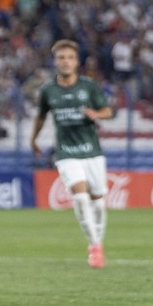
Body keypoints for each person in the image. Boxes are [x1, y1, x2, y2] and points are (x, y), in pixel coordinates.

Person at [30, 39, 112, 268]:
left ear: (77, 62)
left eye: (70, 57)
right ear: (55, 62)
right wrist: (33, 139)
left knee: (97, 202)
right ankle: (94, 246)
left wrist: (96, 114)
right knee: (80, 196)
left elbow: (107, 110)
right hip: (66, 152)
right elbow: (40, 116)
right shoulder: (48, 90)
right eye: (61, 58)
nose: (65, 62)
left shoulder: (89, 86)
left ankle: (99, 242)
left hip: (92, 152)